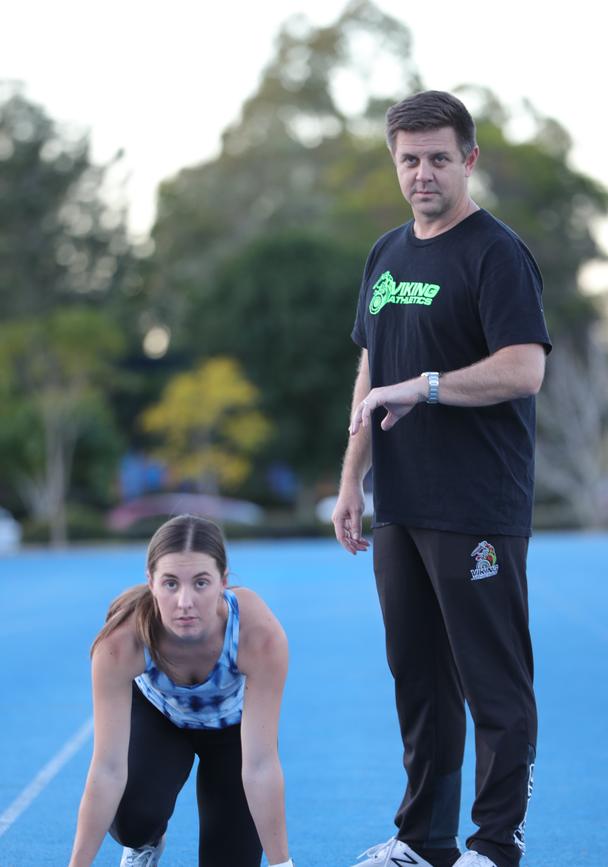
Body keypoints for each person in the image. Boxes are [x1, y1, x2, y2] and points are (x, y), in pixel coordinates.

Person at [332, 90, 551, 867]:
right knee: (418, 683)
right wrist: (352, 477)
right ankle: (422, 841)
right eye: (409, 160)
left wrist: (424, 386)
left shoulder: (496, 253)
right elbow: (371, 367)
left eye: (437, 158)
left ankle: (494, 847)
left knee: (492, 685)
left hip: (475, 505)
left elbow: (525, 368)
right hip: (400, 502)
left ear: (469, 160)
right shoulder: (386, 254)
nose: (422, 173)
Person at [68, 514, 295, 867]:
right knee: (132, 822)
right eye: (171, 583)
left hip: (231, 733)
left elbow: (261, 765)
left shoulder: (259, 637)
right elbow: (107, 769)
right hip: (161, 720)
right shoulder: (120, 643)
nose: (185, 602)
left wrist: (283, 864)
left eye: (201, 583)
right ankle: (147, 842)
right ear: (151, 582)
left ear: (223, 581)